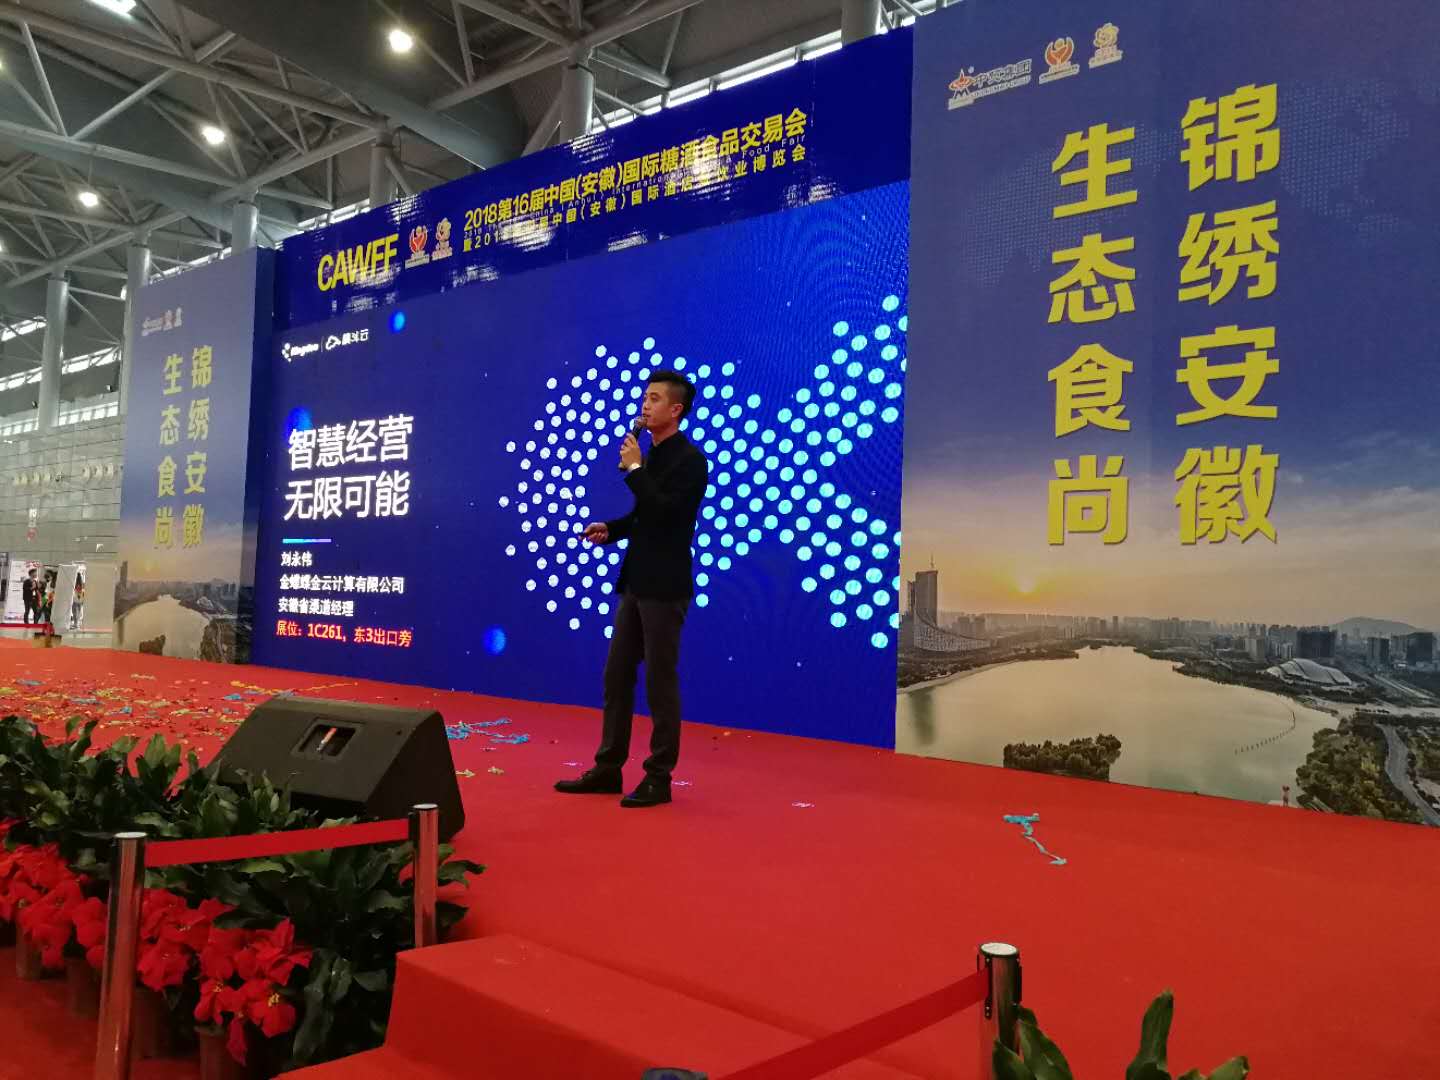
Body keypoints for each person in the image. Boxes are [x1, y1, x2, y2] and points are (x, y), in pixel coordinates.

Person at [556, 370, 708, 808]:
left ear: (676, 410)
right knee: (617, 674)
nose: (645, 405)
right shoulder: (652, 456)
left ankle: (659, 777)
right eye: (645, 397)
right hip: (636, 581)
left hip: (665, 585)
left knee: (660, 680)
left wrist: (636, 469)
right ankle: (608, 767)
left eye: (655, 398)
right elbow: (644, 517)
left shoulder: (690, 461)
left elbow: (669, 516)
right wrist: (613, 528)